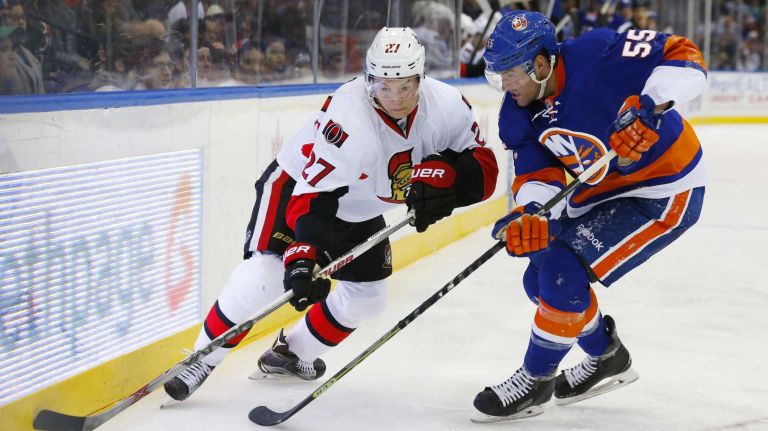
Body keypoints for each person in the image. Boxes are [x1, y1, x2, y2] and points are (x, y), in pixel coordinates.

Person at [163, 26, 498, 402]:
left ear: (421, 77)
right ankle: (202, 358)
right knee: (270, 274)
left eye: (405, 86)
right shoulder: (350, 116)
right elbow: (313, 196)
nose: (395, 98)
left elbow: (484, 167)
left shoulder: (447, 104)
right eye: (384, 86)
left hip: (359, 203)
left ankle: (291, 354)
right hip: (298, 188)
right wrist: (304, 253)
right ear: (370, 79)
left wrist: (450, 180)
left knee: (368, 298)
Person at [472, 11, 707, 422]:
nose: (505, 86)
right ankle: (607, 356)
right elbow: (536, 172)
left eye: (510, 74)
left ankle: (535, 380)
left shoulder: (599, 54)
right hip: (600, 189)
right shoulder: (518, 111)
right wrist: (531, 212)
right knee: (541, 277)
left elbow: (684, 55)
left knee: (563, 271)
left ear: (541, 64)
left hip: (664, 187)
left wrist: (650, 105)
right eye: (499, 76)